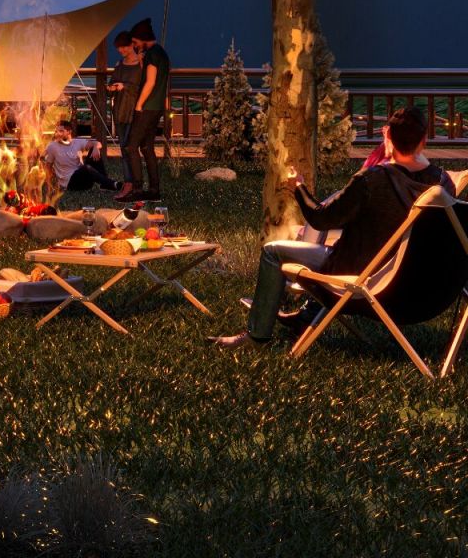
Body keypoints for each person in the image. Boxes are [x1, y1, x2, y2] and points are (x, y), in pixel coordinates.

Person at [213, 105, 454, 349]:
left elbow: (321, 219)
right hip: (424, 291)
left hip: (362, 280)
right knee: (330, 239)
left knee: (272, 251)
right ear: (424, 140)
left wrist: (299, 187)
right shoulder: (444, 186)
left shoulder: (371, 180)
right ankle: (307, 313)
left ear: (388, 136)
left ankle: (256, 336)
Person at [114, 19, 170, 202]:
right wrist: (140, 62)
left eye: (136, 42)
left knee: (131, 147)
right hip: (156, 107)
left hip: (147, 107)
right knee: (146, 147)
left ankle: (137, 189)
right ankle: (154, 190)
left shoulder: (152, 54)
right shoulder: (160, 53)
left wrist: (139, 104)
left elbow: (150, 82)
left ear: (143, 39)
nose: (135, 45)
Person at [43, 119, 119, 193]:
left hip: (83, 180)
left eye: (61, 131)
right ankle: (113, 184)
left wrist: (96, 148)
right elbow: (48, 167)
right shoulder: (52, 146)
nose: (58, 134)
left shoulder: (77, 142)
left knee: (93, 151)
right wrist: (50, 186)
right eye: (56, 131)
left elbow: (98, 143)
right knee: (86, 168)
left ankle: (105, 184)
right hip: (70, 183)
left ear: (69, 132)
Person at [108, 31, 142, 188]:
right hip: (120, 110)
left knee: (131, 148)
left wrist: (125, 86)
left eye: (124, 47)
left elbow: (144, 88)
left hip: (135, 111)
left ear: (132, 45)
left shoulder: (141, 65)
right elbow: (113, 83)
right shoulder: (120, 65)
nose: (121, 50)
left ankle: (136, 183)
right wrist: (112, 87)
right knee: (123, 148)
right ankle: (128, 183)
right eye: (118, 48)